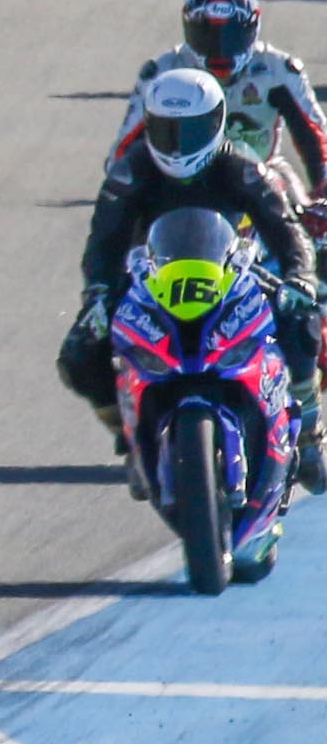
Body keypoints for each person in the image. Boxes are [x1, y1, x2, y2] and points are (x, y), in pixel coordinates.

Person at [64, 66, 325, 483]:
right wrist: (98, 290)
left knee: (303, 321)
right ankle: (128, 432)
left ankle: (309, 430)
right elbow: (104, 242)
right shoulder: (131, 172)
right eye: (168, 131)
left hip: (234, 273)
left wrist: (299, 278)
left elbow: (285, 230)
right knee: (79, 353)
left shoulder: (241, 167)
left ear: (217, 122)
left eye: (191, 130)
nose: (178, 144)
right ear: (149, 126)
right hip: (152, 280)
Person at [110, 0, 327, 192]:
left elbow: (316, 137)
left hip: (264, 173)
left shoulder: (279, 69)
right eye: (207, 35)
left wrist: (323, 192)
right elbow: (122, 154)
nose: (221, 48)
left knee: (308, 212)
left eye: (232, 36)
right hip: (179, 180)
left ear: (252, 29)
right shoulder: (162, 72)